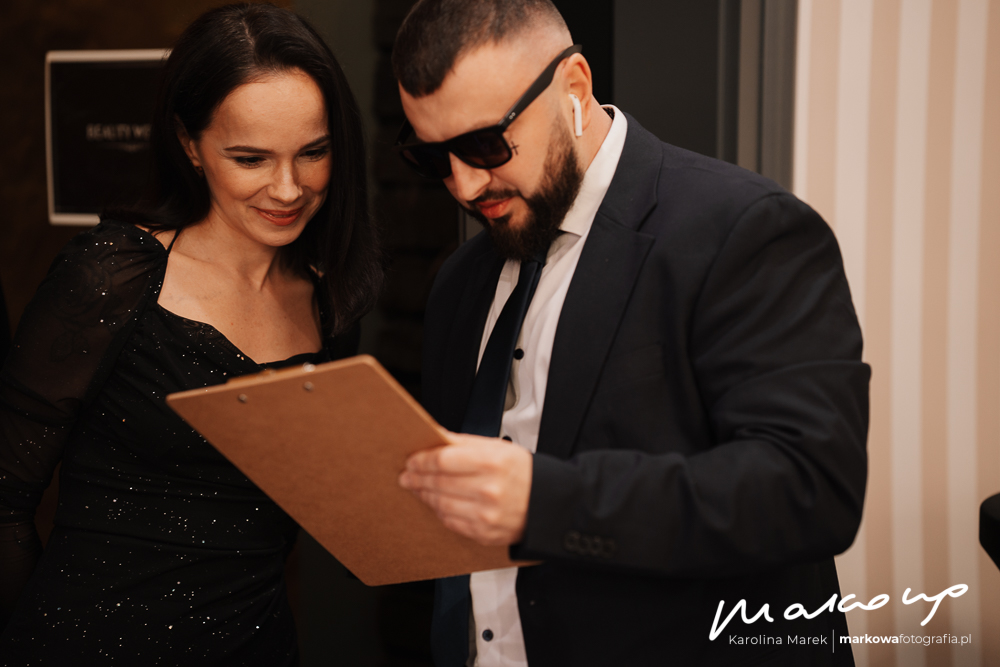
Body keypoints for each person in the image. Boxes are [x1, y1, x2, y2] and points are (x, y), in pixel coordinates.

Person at [392, 1, 868, 665]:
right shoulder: (460, 280)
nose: (466, 185)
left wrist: (543, 500)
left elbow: (808, 489)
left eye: (485, 145)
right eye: (435, 158)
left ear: (574, 86)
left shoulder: (745, 230)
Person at [0, 3, 382, 663]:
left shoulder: (328, 299)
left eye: (313, 153)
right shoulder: (113, 275)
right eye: (250, 158)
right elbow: (5, 497)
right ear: (189, 144)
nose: (288, 188)